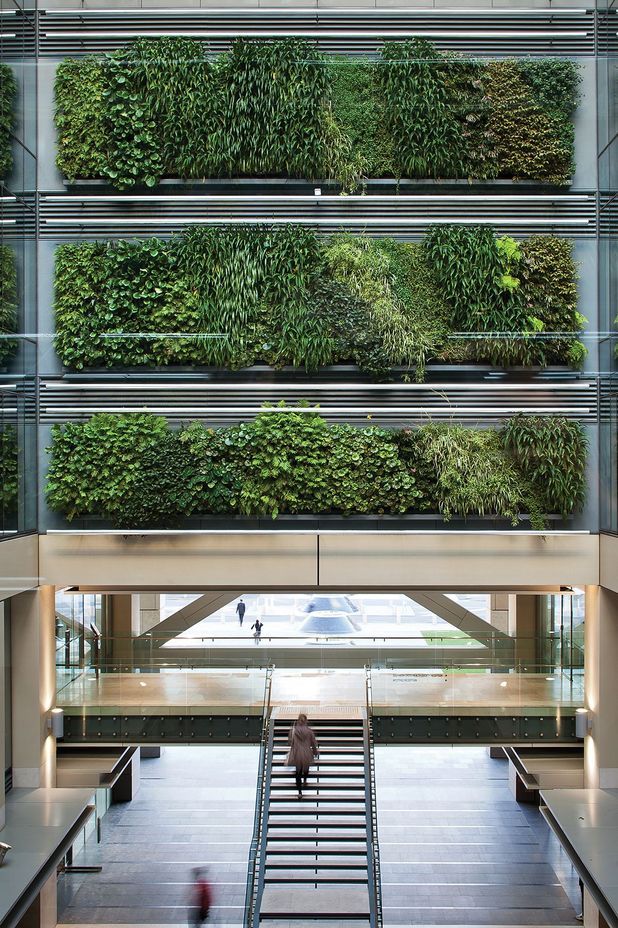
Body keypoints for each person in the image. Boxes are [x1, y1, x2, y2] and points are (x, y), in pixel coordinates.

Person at [286, 713, 318, 800]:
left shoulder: (294, 730)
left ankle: (300, 792)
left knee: (298, 773)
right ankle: (305, 780)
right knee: (306, 769)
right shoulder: (309, 731)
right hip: (307, 754)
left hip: (297, 754)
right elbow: (313, 743)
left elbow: (290, 742)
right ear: (306, 721)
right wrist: (315, 752)